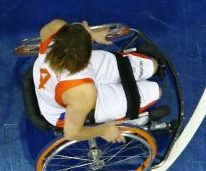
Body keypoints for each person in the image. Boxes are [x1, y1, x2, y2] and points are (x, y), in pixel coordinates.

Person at [32, 19, 161, 143]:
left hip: (67, 78)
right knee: (157, 91)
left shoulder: (55, 29)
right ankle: (131, 119)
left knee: (153, 65)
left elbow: (73, 31)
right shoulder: (83, 92)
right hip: (67, 107)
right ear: (86, 57)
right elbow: (71, 133)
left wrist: (92, 34)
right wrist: (103, 130)